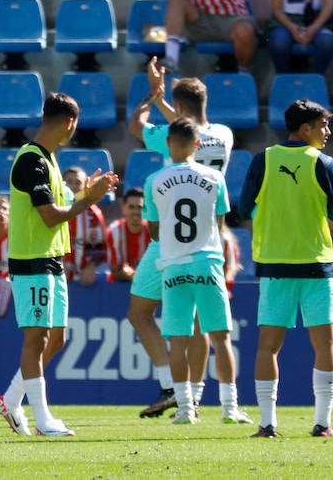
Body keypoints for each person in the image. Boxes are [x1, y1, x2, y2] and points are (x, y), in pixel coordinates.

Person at [0, 92, 118, 437]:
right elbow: (50, 217)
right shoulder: (31, 160)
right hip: (32, 260)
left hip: (50, 260)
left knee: (56, 339)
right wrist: (88, 201)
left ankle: (10, 399)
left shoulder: (48, 159)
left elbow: (59, 212)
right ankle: (43, 419)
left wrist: (83, 197)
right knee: (37, 338)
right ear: (69, 123)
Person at [127, 60, 234, 417]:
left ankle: (173, 386)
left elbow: (136, 126)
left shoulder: (166, 137)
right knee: (206, 325)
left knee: (141, 313)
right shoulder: (224, 135)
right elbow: (188, 125)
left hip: (169, 243)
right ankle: (197, 397)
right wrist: (166, 101)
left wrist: (152, 96)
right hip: (209, 241)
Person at [238, 99, 333, 439]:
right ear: (305, 129)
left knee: (267, 346)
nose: (327, 132)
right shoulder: (323, 162)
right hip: (316, 263)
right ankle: (323, 424)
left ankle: (267, 425)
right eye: (323, 126)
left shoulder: (263, 159)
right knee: (324, 345)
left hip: (274, 265)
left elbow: (243, 208)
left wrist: (272, 221)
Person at [144, 119, 251, 425]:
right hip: (207, 262)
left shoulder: (154, 180)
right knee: (220, 338)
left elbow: (153, 230)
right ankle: (230, 408)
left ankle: (185, 409)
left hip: (173, 265)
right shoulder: (215, 177)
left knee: (178, 339)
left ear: (168, 145)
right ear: (197, 144)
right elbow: (219, 226)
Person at [61, 167, 106, 287]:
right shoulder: (53, 210)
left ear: (85, 186)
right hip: (56, 274)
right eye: (69, 182)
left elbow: (99, 250)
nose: (73, 186)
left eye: (78, 183)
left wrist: (91, 267)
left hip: (82, 280)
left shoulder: (92, 214)